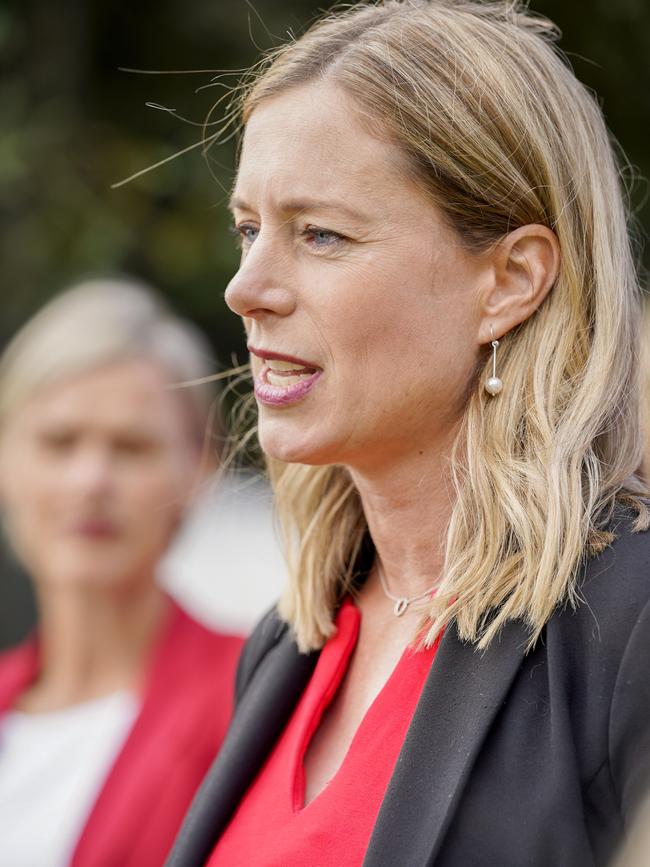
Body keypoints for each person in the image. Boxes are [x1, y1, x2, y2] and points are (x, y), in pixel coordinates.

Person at [166, 2, 650, 866]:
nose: (246, 287)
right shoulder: (291, 643)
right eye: (248, 229)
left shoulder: (628, 626)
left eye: (321, 234)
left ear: (510, 280)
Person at [0, 279, 244, 867]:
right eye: (59, 443)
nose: (90, 481)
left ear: (199, 470)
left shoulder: (249, 697)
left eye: (131, 448)